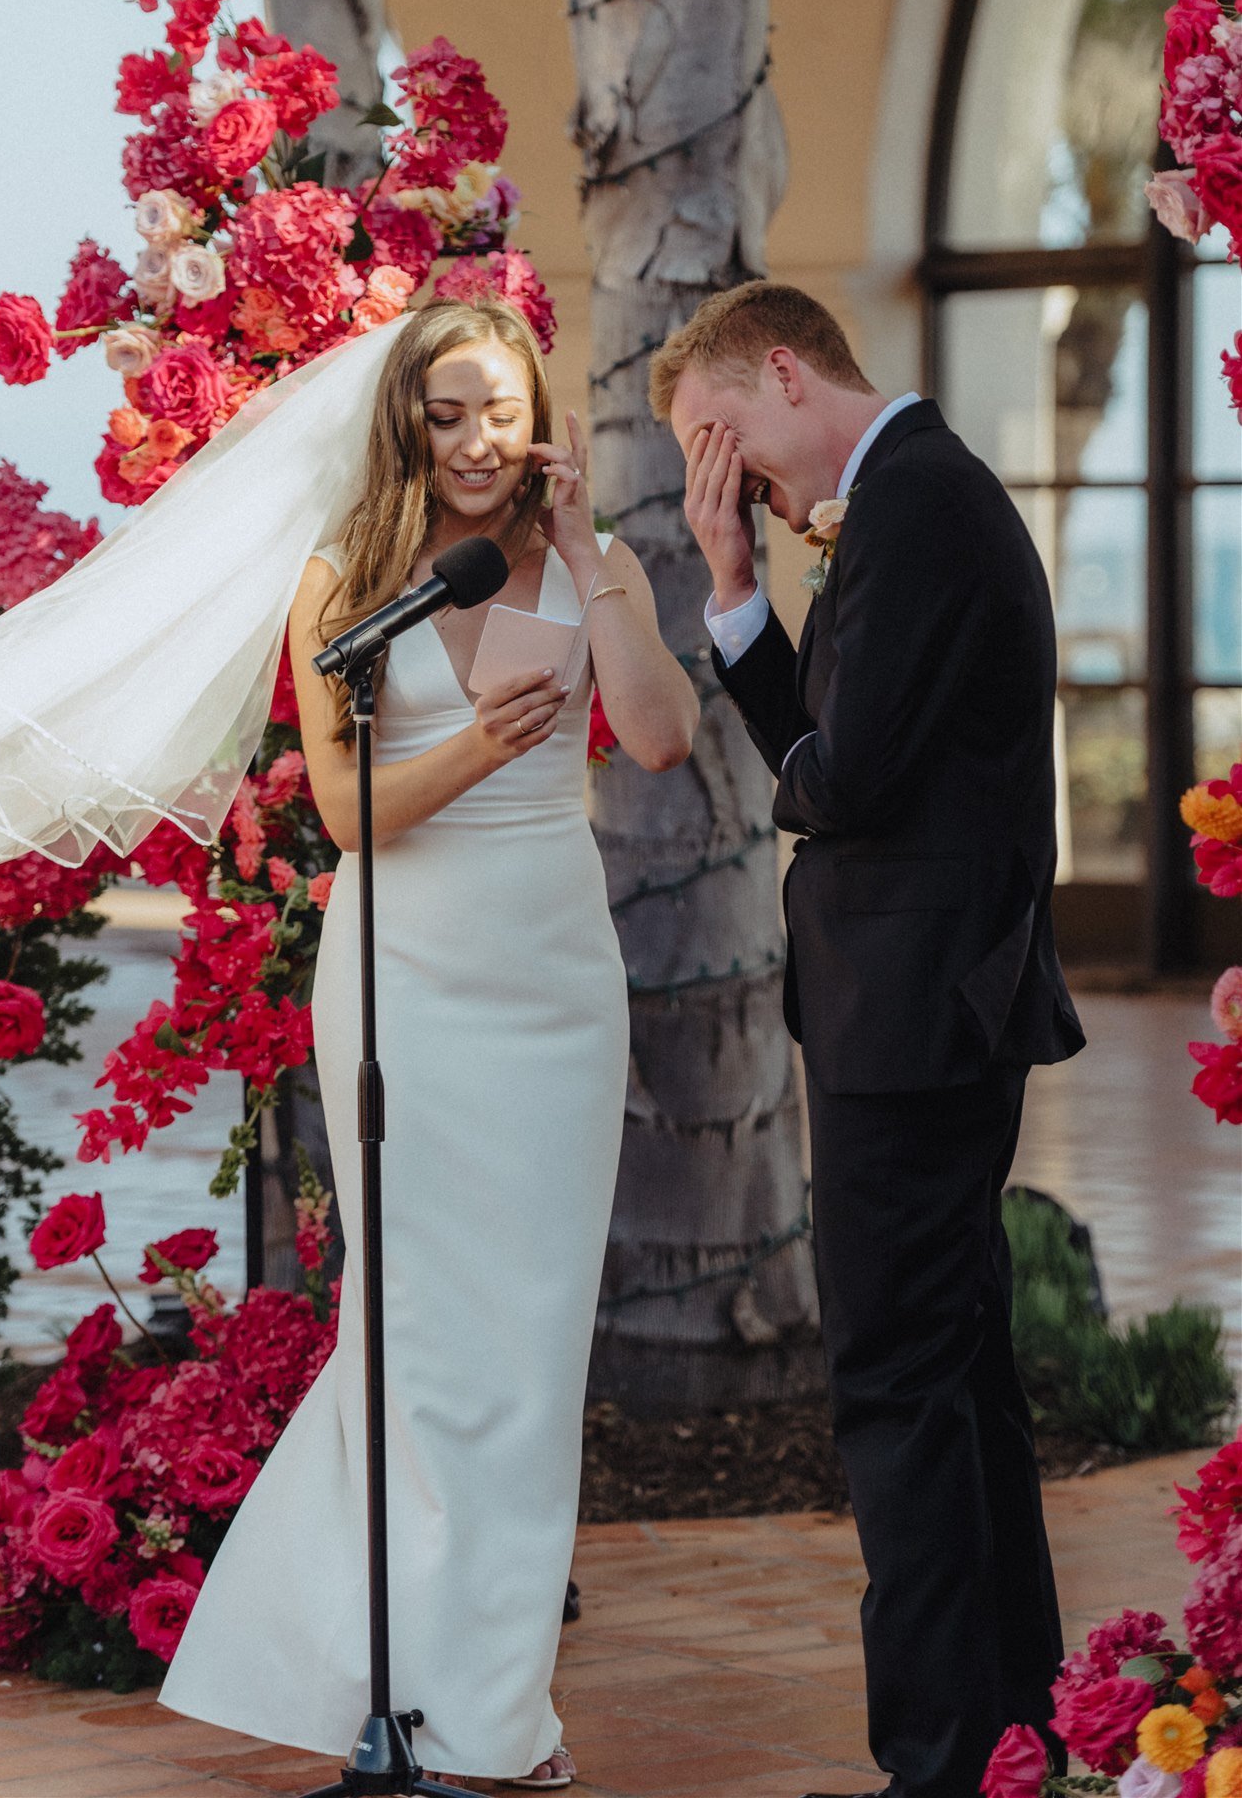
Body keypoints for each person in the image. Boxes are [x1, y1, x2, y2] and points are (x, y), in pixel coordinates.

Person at [158, 299, 699, 1780]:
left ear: (540, 419)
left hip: (552, 984)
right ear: (408, 421)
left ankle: (492, 1705)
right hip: (405, 973)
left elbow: (657, 736)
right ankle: (396, 1684)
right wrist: (474, 743)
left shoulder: (593, 562)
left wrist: (590, 564)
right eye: (448, 412)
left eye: (500, 410)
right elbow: (342, 821)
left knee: (528, 1348)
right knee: (412, 1335)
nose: (478, 441)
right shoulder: (345, 577)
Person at [651, 281, 1084, 1798]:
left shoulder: (913, 509)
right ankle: (1018, 1729)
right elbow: (839, 761)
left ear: (784, 370)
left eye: (731, 446)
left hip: (913, 1020)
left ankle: (938, 1760)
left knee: (895, 1390)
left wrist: (735, 597)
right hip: (920, 1010)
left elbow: (840, 779)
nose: (744, 485)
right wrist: (731, 586)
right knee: (955, 1380)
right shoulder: (908, 498)